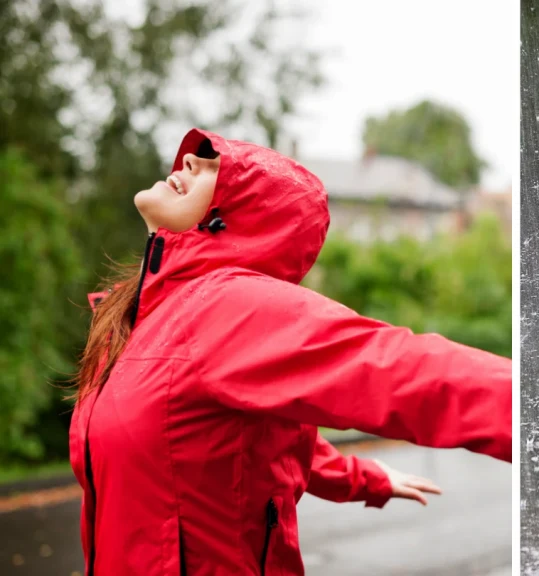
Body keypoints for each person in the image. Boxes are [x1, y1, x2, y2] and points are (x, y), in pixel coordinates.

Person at [69, 128, 512, 575]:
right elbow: (249, 438)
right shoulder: (133, 319)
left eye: (213, 167)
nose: (188, 163)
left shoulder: (224, 308)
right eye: (193, 158)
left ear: (238, 217)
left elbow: (395, 366)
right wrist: (363, 477)